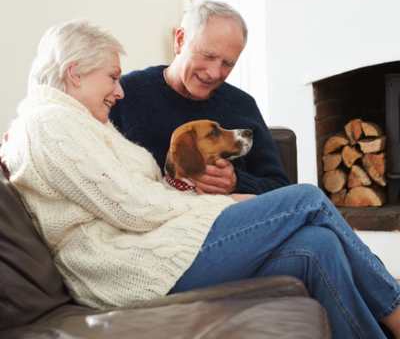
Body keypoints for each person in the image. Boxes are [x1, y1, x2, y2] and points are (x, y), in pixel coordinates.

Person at [1, 20, 400, 339]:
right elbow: (135, 208)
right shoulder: (49, 125)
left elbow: (137, 195)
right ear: (74, 73)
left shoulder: (76, 122)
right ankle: (397, 312)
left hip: (150, 244)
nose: (119, 90)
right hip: (124, 267)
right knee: (307, 198)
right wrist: (225, 203)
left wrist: (232, 194)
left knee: (318, 244)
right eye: (111, 77)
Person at [110, 0, 289, 195]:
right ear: (179, 40)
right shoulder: (124, 94)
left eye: (227, 64)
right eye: (208, 55)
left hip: (235, 217)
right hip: (158, 218)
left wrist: (236, 182)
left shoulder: (242, 104)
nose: (214, 73)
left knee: (308, 198)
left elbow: (280, 187)